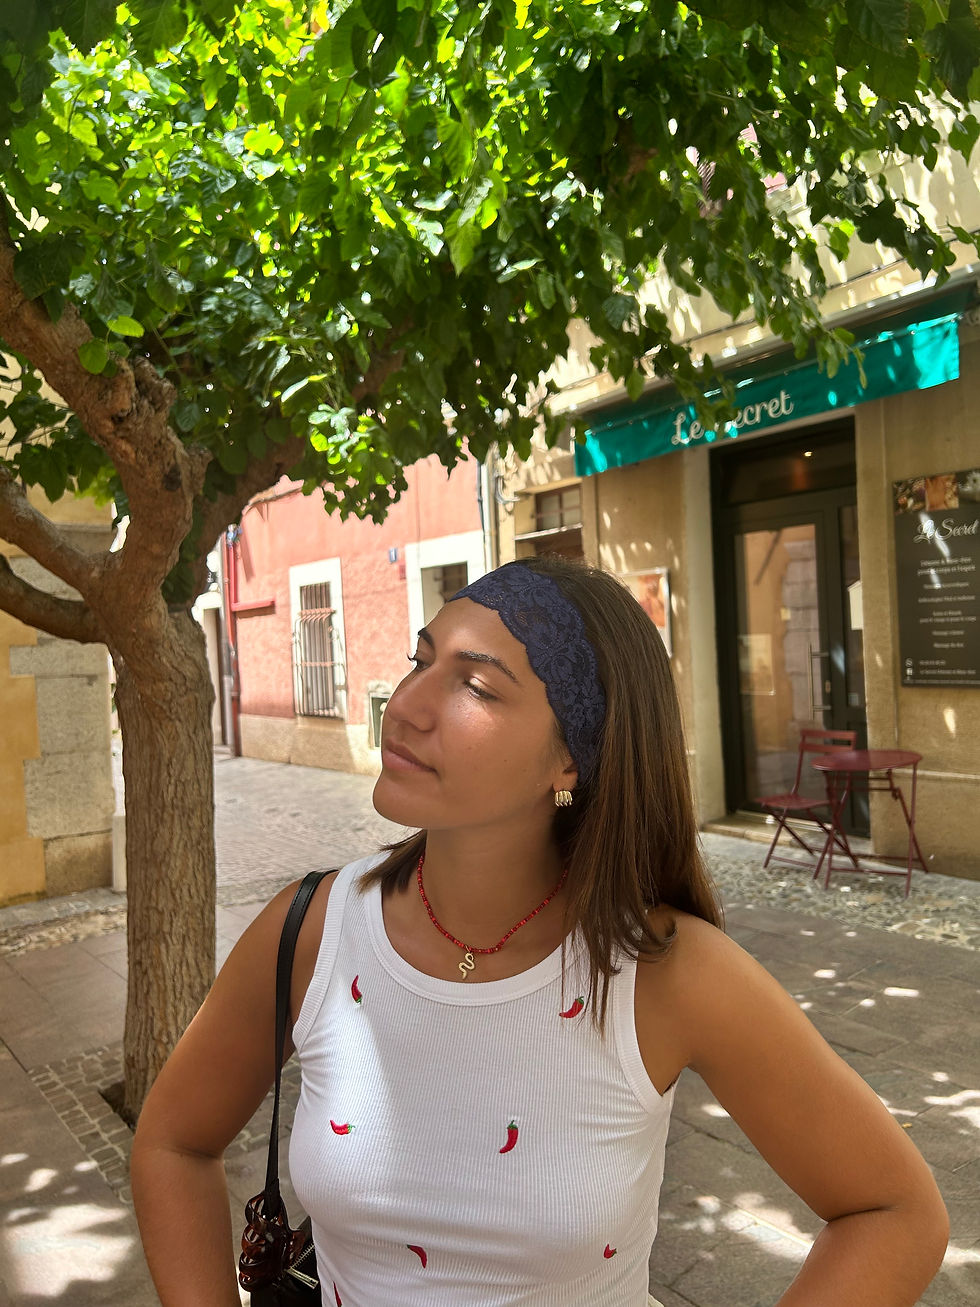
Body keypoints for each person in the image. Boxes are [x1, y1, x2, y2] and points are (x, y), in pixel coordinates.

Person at [131, 556, 949, 1307]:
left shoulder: (664, 972)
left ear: (571, 762)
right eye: (420, 661)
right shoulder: (310, 932)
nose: (407, 706)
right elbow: (173, 1141)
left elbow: (894, 1211)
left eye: (476, 687)